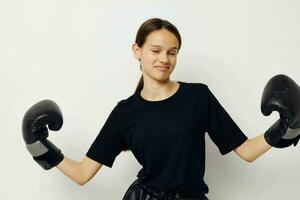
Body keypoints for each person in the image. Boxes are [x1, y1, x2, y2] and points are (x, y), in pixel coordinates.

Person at [22, 18, 300, 200]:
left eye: (172, 51)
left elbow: (246, 152)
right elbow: (83, 173)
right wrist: (39, 146)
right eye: (155, 50)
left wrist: (286, 129)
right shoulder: (125, 113)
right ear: (137, 50)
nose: (164, 59)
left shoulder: (197, 97)